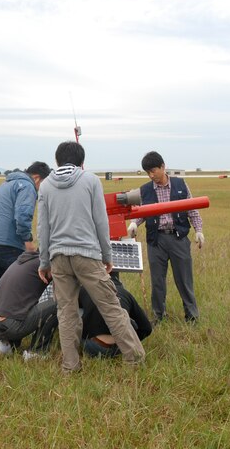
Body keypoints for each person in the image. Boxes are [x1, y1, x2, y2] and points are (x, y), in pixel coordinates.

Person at [37, 141, 145, 373]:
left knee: (66, 313)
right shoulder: (90, 180)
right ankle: (134, 358)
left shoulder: (45, 186)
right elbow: (101, 222)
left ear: (57, 161)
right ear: (81, 161)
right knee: (111, 306)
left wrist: (44, 262)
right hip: (87, 255)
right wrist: (107, 255)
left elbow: (42, 228)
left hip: (58, 257)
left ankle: (70, 366)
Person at [127, 151, 205, 323]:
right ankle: (158, 316)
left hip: (178, 238)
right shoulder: (145, 190)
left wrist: (198, 230)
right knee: (157, 281)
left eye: (153, 170)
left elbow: (192, 208)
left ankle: (192, 316)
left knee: (184, 279)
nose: (151, 175)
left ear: (163, 167)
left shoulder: (180, 184)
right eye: (148, 172)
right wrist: (133, 223)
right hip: (156, 240)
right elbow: (140, 212)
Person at [0, 161, 51, 310]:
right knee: (16, 281)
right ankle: (11, 315)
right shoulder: (27, 186)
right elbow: (23, 215)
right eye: (43, 184)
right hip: (8, 243)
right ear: (37, 178)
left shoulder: (5, 185)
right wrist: (27, 240)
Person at [0, 250, 58, 360]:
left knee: (21, 304)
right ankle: (37, 352)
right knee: (60, 303)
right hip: (9, 324)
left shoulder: (24, 261)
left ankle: (6, 344)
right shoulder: (45, 264)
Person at [80, 273, 152, 358]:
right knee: (130, 320)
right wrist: (130, 341)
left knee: (74, 311)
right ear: (119, 281)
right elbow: (146, 328)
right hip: (123, 348)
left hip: (94, 346)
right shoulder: (126, 294)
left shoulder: (85, 288)